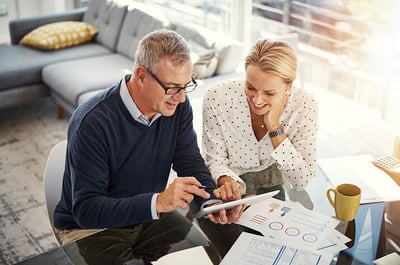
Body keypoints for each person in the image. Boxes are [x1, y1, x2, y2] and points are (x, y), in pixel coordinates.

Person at [53, 29, 244, 246]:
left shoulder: (177, 107)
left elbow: (189, 161)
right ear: (142, 76)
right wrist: (158, 202)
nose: (181, 98)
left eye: (186, 86)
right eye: (172, 88)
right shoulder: (92, 122)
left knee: (208, 256)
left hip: (148, 215)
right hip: (92, 228)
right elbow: (86, 210)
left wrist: (213, 201)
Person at [202, 39, 318, 200]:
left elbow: (301, 181)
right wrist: (227, 182)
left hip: (271, 179)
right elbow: (214, 160)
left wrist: (274, 126)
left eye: (269, 93)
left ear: (289, 86)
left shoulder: (304, 105)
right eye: (250, 87)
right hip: (227, 178)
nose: (257, 100)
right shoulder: (217, 98)